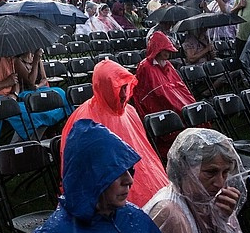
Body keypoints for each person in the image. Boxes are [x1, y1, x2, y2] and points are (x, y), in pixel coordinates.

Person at [12, 119, 200, 233]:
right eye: (116, 172)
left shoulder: (131, 215)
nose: (129, 180)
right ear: (91, 177)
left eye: (128, 169)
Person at [61, 59, 169, 207]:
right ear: (104, 87)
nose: (124, 94)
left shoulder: (129, 112)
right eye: (118, 89)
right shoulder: (85, 121)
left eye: (126, 87)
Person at [133, 32, 196, 143]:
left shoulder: (167, 64)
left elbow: (179, 86)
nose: (168, 53)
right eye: (165, 50)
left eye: (169, 50)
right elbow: (151, 93)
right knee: (183, 112)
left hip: (172, 97)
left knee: (192, 109)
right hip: (157, 103)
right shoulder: (146, 67)